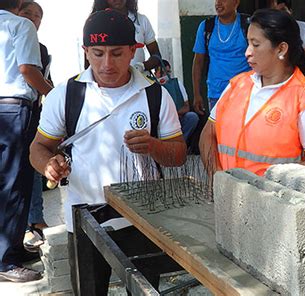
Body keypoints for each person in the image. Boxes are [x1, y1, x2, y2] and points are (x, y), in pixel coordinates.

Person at [29, 9, 186, 294]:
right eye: (97, 53)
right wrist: (48, 165)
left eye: (116, 53)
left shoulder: (154, 94)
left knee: (143, 290)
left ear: (133, 51)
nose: (106, 64)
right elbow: (38, 147)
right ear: (85, 51)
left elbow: (178, 155)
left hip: (143, 218)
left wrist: (154, 146)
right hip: (84, 217)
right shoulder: (66, 95)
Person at [199, 9, 305, 178]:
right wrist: (217, 178)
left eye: (255, 44)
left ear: (281, 49)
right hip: (230, 198)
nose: (247, 52)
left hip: (274, 201)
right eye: (248, 43)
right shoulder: (236, 85)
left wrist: (261, 187)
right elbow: (207, 134)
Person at [0, 0, 52, 282]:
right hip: (13, 109)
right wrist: (54, 94)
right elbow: (28, 71)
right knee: (14, 183)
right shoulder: (21, 26)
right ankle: (5, 261)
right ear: (19, 5)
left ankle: (12, 248)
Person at [19, 0, 50, 252]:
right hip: (11, 111)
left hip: (32, 112)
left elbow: (44, 79)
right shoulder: (10, 37)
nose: (32, 18)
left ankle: (35, 220)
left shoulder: (42, 48)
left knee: (33, 165)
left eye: (37, 15)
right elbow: (27, 71)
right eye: (27, 13)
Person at [192, 0, 251, 114]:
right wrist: (197, 94)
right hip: (216, 94)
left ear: (236, 2)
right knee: (219, 131)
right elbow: (198, 62)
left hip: (246, 93)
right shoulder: (206, 27)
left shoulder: (248, 25)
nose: (218, 3)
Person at [90, 0, 161, 76]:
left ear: (132, 50)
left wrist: (142, 66)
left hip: (140, 80)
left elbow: (156, 55)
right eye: (99, 54)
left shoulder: (141, 20)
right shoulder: (94, 23)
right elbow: (88, 61)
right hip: (107, 82)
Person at [156, 59, 199, 143]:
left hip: (177, 119)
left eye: (168, 72)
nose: (166, 75)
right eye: (163, 72)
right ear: (155, 73)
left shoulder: (177, 83)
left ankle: (181, 143)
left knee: (192, 117)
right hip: (160, 122)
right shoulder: (152, 86)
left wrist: (175, 114)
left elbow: (187, 107)